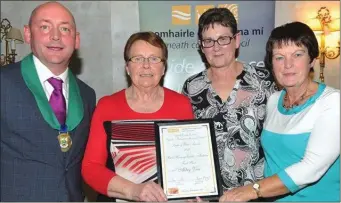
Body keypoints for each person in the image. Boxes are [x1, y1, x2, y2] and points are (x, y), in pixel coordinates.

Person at [219, 22, 340, 202]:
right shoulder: (274, 100)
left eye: (297, 55)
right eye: (279, 57)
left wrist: (252, 190)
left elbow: (311, 168)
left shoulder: (332, 101)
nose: (288, 65)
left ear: (312, 59)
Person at [0, 2, 96, 202]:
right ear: (27, 34)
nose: (55, 36)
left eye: (65, 28)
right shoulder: (3, 84)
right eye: (45, 27)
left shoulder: (87, 95)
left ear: (76, 40)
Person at [81, 31, 194, 202]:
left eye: (154, 59)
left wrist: (195, 194)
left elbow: (192, 164)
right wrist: (133, 190)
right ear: (127, 67)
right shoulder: (107, 106)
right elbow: (90, 168)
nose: (146, 65)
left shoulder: (181, 105)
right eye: (138, 59)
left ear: (163, 68)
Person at [181, 7, 276, 194]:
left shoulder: (265, 81)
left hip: (257, 192)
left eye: (223, 39)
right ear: (201, 46)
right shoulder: (191, 87)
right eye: (209, 41)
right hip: (208, 193)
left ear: (237, 40)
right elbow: (185, 146)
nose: (216, 48)